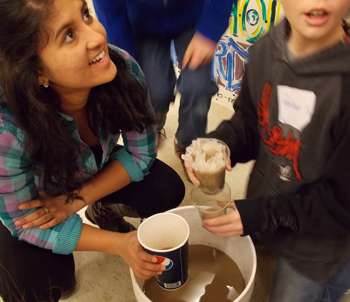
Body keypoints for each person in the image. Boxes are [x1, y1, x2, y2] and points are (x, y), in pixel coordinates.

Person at [0, 0, 185, 301]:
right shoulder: (8, 131)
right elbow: (23, 225)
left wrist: (75, 203)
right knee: (33, 284)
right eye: (69, 35)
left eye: (86, 14)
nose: (98, 36)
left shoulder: (122, 69)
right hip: (38, 205)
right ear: (36, 72)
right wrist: (120, 244)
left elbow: (142, 154)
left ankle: (102, 210)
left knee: (166, 188)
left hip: (87, 178)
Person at [185, 0, 350, 301]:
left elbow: (341, 203)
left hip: (317, 250)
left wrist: (263, 214)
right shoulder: (263, 51)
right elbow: (250, 120)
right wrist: (224, 144)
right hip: (268, 213)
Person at [93, 0, 238, 163]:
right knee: (154, 91)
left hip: (191, 18)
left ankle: (188, 144)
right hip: (143, 26)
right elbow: (110, 15)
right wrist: (126, 63)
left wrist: (209, 31)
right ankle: (155, 126)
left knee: (198, 87)